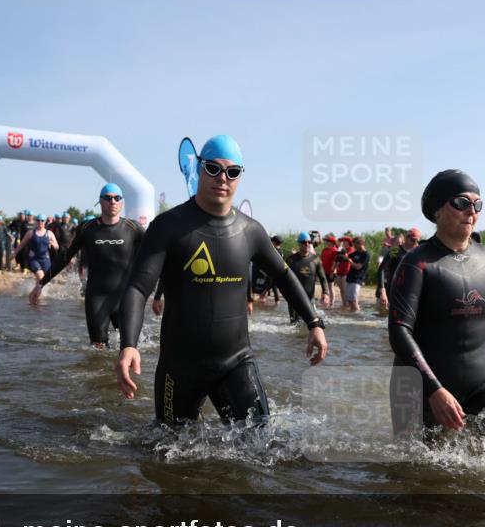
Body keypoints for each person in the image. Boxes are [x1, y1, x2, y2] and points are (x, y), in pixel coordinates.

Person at [114, 135, 328, 427]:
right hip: (179, 367)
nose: (222, 178)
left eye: (232, 172)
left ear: (240, 176)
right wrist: (129, 344)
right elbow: (138, 288)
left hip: (236, 361)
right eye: (213, 169)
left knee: (260, 443)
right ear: (200, 169)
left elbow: (283, 275)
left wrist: (314, 323)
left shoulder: (250, 231)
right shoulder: (168, 226)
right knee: (167, 454)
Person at [388, 169, 485, 436]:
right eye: (462, 203)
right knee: (414, 473)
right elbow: (398, 330)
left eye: (477, 205)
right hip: (418, 389)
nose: (471, 211)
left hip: (480, 385)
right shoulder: (417, 262)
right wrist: (435, 390)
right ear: (437, 209)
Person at [31, 184, 143, 348]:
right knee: (97, 350)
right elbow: (64, 257)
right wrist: (41, 284)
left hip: (126, 298)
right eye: (108, 198)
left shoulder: (133, 228)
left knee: (130, 348)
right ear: (100, 201)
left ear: (122, 203)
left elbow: (155, 257)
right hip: (96, 297)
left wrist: (160, 291)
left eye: (117, 198)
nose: (112, 201)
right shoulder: (87, 228)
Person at [286, 231, 329, 323]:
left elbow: (323, 278)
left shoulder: (315, 259)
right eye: (304, 242)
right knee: (294, 324)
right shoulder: (290, 259)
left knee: (312, 323)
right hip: (294, 298)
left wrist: (325, 293)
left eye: (309, 242)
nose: (307, 244)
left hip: (310, 298)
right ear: (299, 243)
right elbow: (282, 276)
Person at [377, 228, 421, 309]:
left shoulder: (416, 253)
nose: (415, 243)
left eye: (417, 241)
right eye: (413, 240)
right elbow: (382, 269)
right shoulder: (395, 250)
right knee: (386, 316)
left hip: (409, 292)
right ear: (406, 238)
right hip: (394, 290)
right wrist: (382, 291)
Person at [17, 214, 60, 291]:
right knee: (41, 277)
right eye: (38, 220)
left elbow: (57, 246)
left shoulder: (49, 233)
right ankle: (34, 295)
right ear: (36, 221)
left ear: (45, 222)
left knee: (44, 281)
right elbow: (22, 244)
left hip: (46, 260)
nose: (40, 222)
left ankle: (37, 294)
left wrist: (53, 245)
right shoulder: (31, 232)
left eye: (42, 220)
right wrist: (14, 253)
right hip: (34, 259)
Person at [343, 237, 370, 312]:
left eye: (355, 245)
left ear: (361, 244)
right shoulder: (356, 253)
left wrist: (349, 261)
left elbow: (358, 267)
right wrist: (343, 254)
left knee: (354, 300)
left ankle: (358, 317)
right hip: (350, 278)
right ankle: (353, 315)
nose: (354, 247)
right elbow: (347, 257)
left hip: (357, 279)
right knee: (349, 300)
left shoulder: (366, 254)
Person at [319, 234, 339, 308]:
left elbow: (336, 262)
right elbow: (321, 260)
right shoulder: (324, 250)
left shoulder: (335, 251)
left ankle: (331, 303)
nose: (327, 243)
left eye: (328, 241)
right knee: (323, 287)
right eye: (327, 241)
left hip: (331, 271)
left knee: (330, 287)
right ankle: (323, 301)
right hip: (323, 271)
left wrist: (332, 271)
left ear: (333, 243)